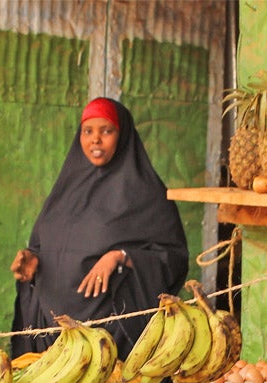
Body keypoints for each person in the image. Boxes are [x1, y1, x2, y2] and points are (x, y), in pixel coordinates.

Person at [10, 97, 189, 360]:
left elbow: (173, 258)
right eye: (88, 131)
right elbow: (45, 243)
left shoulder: (144, 193)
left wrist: (121, 257)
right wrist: (32, 260)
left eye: (106, 131)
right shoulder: (66, 189)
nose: (95, 139)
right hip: (53, 337)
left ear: (122, 135)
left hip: (112, 338)